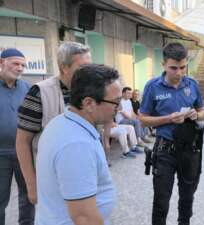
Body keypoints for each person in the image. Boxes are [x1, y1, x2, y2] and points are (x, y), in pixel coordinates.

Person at [35, 64, 119, 225]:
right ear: (89, 103)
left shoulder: (62, 122)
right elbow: (84, 217)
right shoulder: (76, 144)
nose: (119, 107)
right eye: (115, 102)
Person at [139, 42, 204, 225]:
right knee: (161, 201)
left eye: (183, 67)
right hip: (165, 150)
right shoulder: (153, 86)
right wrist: (169, 118)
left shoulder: (192, 84)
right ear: (163, 65)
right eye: (173, 68)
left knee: (187, 199)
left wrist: (196, 114)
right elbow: (143, 118)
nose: (179, 73)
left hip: (189, 151)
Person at [16, 41, 91, 205]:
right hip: (51, 178)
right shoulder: (39, 92)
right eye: (82, 67)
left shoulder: (90, 91)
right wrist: (31, 186)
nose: (87, 73)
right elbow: (22, 142)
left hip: (83, 174)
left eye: (89, 67)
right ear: (64, 67)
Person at [0, 49, 35, 225]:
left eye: (23, 65)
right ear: (1, 63)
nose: (20, 68)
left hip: (25, 152)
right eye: (15, 63)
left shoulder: (28, 89)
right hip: (0, 154)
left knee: (29, 195)